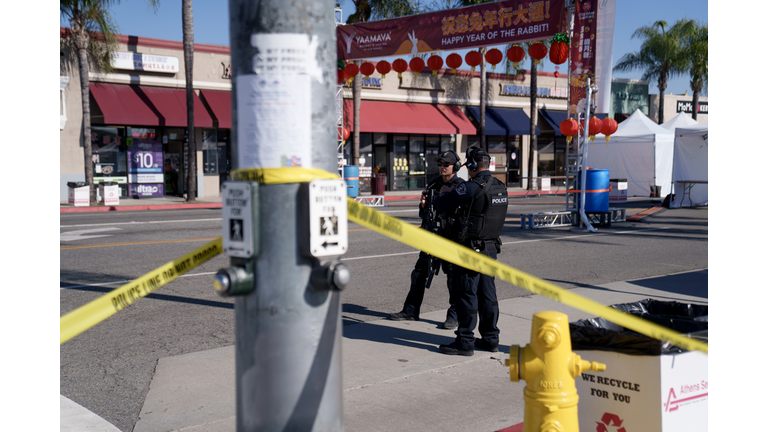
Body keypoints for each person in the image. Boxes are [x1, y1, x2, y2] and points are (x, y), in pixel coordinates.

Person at [434, 146, 509, 356]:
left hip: (470, 250)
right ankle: (491, 338)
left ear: (474, 165)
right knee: (488, 294)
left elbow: (442, 202)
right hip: (491, 248)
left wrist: (441, 195)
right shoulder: (500, 187)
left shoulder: (471, 187)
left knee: (466, 293)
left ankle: (465, 341)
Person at [389, 150, 464, 330]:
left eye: (446, 164)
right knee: (419, 273)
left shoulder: (461, 186)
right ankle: (411, 310)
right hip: (432, 237)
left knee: (453, 278)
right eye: (440, 164)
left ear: (456, 167)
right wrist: (423, 206)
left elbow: (462, 213)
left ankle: (454, 315)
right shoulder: (433, 184)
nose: (442, 167)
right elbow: (424, 214)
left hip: (450, 239)